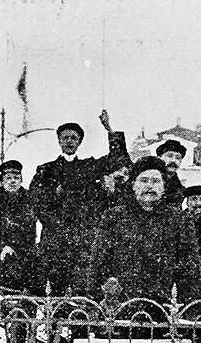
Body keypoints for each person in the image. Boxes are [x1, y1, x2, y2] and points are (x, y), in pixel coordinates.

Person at [30, 117, 128, 295]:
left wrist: (110, 130)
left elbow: (117, 159)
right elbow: (36, 202)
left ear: (80, 142)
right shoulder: (46, 169)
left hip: (82, 239)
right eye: (65, 138)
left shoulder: (88, 166)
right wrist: (54, 196)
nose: (69, 141)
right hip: (55, 240)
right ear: (59, 141)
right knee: (52, 291)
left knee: (81, 290)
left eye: (73, 138)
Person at [88, 156, 201, 303]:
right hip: (122, 305)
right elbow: (99, 263)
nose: (150, 186)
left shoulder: (179, 219)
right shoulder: (114, 217)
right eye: (143, 180)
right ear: (133, 185)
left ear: (163, 187)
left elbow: (191, 268)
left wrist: (189, 307)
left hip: (165, 306)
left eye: (156, 181)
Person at [0, 159, 38, 291]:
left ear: (21, 180)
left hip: (24, 254)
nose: (12, 181)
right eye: (8, 178)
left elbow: (31, 227)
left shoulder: (29, 199)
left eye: (16, 177)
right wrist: (2, 245)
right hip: (1, 253)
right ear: (1, 181)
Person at [156, 139, 188, 209]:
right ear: (159, 158)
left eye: (178, 158)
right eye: (169, 156)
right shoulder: (150, 180)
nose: (173, 160)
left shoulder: (178, 185)